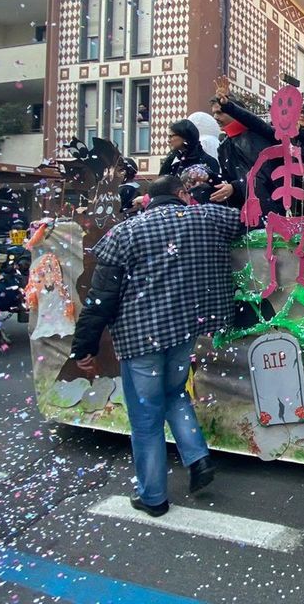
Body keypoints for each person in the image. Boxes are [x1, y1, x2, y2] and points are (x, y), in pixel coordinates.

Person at [69, 175, 246, 516]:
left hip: (139, 339)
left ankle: (153, 497)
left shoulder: (124, 233)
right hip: (184, 331)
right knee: (175, 393)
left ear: (148, 200)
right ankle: (197, 457)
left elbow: (102, 298)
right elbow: (246, 220)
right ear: (181, 194)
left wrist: (84, 347)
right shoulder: (208, 217)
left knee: (146, 418)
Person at [209, 88, 280, 212]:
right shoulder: (224, 146)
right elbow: (228, 180)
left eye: (220, 112)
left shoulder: (260, 133)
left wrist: (236, 187)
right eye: (214, 113)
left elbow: (266, 175)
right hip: (245, 211)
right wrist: (209, 177)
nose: (215, 117)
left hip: (274, 208)